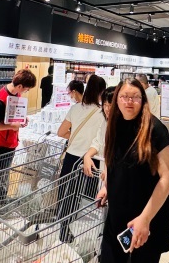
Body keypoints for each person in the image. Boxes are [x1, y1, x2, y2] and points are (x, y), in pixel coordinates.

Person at [97, 79, 169, 262]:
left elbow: (167, 178)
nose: (129, 101)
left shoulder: (155, 129)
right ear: (117, 99)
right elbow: (113, 160)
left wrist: (145, 219)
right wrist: (108, 186)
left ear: (143, 100)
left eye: (135, 97)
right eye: (124, 96)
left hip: (147, 218)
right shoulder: (114, 125)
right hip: (117, 217)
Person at [0, 69, 36, 224]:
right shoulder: (1, 99)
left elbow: (11, 117)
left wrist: (22, 119)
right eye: (26, 89)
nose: (25, 92)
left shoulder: (15, 95)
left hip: (9, 143)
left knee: (2, 178)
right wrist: (11, 126)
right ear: (19, 86)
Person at [57, 76, 106, 241]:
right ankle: (85, 235)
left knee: (66, 194)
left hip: (71, 158)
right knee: (87, 199)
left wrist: (75, 138)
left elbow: (61, 132)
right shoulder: (102, 112)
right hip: (91, 160)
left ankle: (64, 228)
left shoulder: (75, 108)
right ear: (101, 92)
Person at [82, 87, 115, 177]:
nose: (107, 108)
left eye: (111, 105)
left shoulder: (124, 126)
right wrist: (87, 155)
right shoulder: (105, 122)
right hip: (104, 171)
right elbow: (98, 142)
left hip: (116, 174)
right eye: (105, 104)